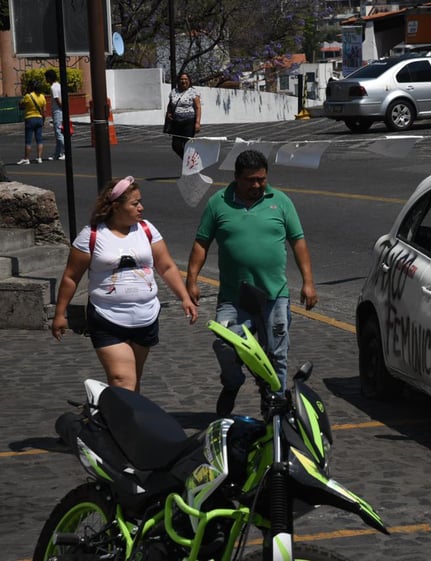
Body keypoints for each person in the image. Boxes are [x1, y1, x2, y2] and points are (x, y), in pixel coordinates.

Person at [186, 150, 318, 416]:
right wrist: (191, 281)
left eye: (262, 179)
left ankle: (275, 407)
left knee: (276, 356)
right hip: (234, 299)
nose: (257, 185)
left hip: (274, 296)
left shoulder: (280, 202)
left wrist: (308, 282)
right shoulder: (217, 203)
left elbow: (298, 241)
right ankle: (233, 381)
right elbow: (202, 243)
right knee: (225, 343)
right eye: (250, 180)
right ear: (236, 178)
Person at [52, 176, 199, 392]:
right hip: (106, 318)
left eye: (140, 202)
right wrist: (60, 314)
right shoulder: (92, 235)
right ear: (116, 206)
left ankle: (123, 422)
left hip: (145, 317)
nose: (141, 207)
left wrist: (184, 298)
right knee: (123, 380)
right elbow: (71, 277)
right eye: (134, 203)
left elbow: (166, 266)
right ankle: (116, 423)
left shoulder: (147, 229)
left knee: (133, 381)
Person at [165, 72, 202, 159]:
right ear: (178, 80)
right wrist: (169, 113)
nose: (183, 81)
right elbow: (170, 105)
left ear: (189, 81)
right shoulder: (174, 92)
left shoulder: (193, 92)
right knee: (176, 145)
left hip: (189, 123)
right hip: (176, 123)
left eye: (185, 79)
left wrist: (197, 123)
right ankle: (188, 161)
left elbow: (198, 107)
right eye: (181, 79)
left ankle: (190, 163)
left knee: (187, 145)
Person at [17, 80, 47, 165]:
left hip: (30, 118)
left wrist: (20, 102)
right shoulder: (42, 97)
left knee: (28, 140)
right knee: (39, 139)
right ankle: (39, 157)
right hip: (39, 118)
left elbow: (22, 106)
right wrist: (43, 121)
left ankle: (26, 158)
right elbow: (44, 110)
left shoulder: (28, 96)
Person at [45, 69, 65, 161]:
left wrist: (61, 108)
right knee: (58, 133)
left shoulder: (53, 87)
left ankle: (65, 151)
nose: (46, 80)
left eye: (47, 78)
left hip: (57, 111)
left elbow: (57, 99)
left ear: (50, 78)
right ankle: (57, 153)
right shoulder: (59, 85)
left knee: (58, 132)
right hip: (59, 110)